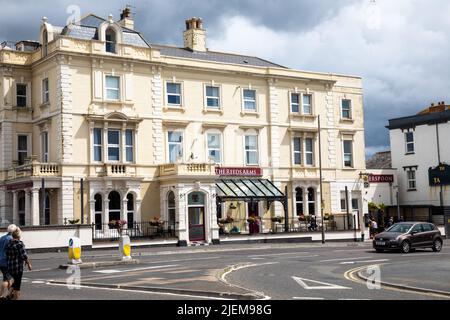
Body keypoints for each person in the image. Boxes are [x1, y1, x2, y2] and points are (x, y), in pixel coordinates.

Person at [5, 228, 32, 300]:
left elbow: (7, 255)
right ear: (19, 236)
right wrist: (29, 264)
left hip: (10, 267)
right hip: (18, 267)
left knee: (16, 282)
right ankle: (14, 298)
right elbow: (24, 256)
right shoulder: (19, 244)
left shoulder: (9, 244)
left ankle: (8, 295)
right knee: (17, 286)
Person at [0, 224, 17, 300]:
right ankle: (1, 295)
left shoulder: (2, 238)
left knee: (9, 278)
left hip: (0, 260)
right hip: (6, 261)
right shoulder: (11, 239)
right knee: (6, 279)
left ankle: (11, 294)